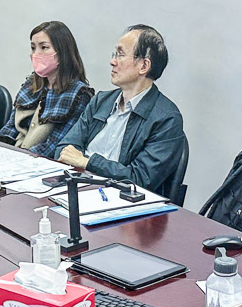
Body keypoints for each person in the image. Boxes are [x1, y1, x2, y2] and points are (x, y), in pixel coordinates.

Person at [56, 25, 185, 197]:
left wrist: (87, 162)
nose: (112, 61)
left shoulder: (167, 119)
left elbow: (140, 179)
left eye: (120, 54)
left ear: (144, 66)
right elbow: (64, 148)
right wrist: (79, 163)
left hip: (121, 202)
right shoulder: (101, 101)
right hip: (76, 188)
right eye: (114, 54)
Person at [0, 21, 94, 159]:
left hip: (37, 162)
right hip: (12, 156)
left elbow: (54, 145)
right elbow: (10, 128)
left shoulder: (78, 94)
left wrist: (17, 160)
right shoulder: (31, 84)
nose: (36, 54)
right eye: (33, 48)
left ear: (62, 52)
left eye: (44, 47)